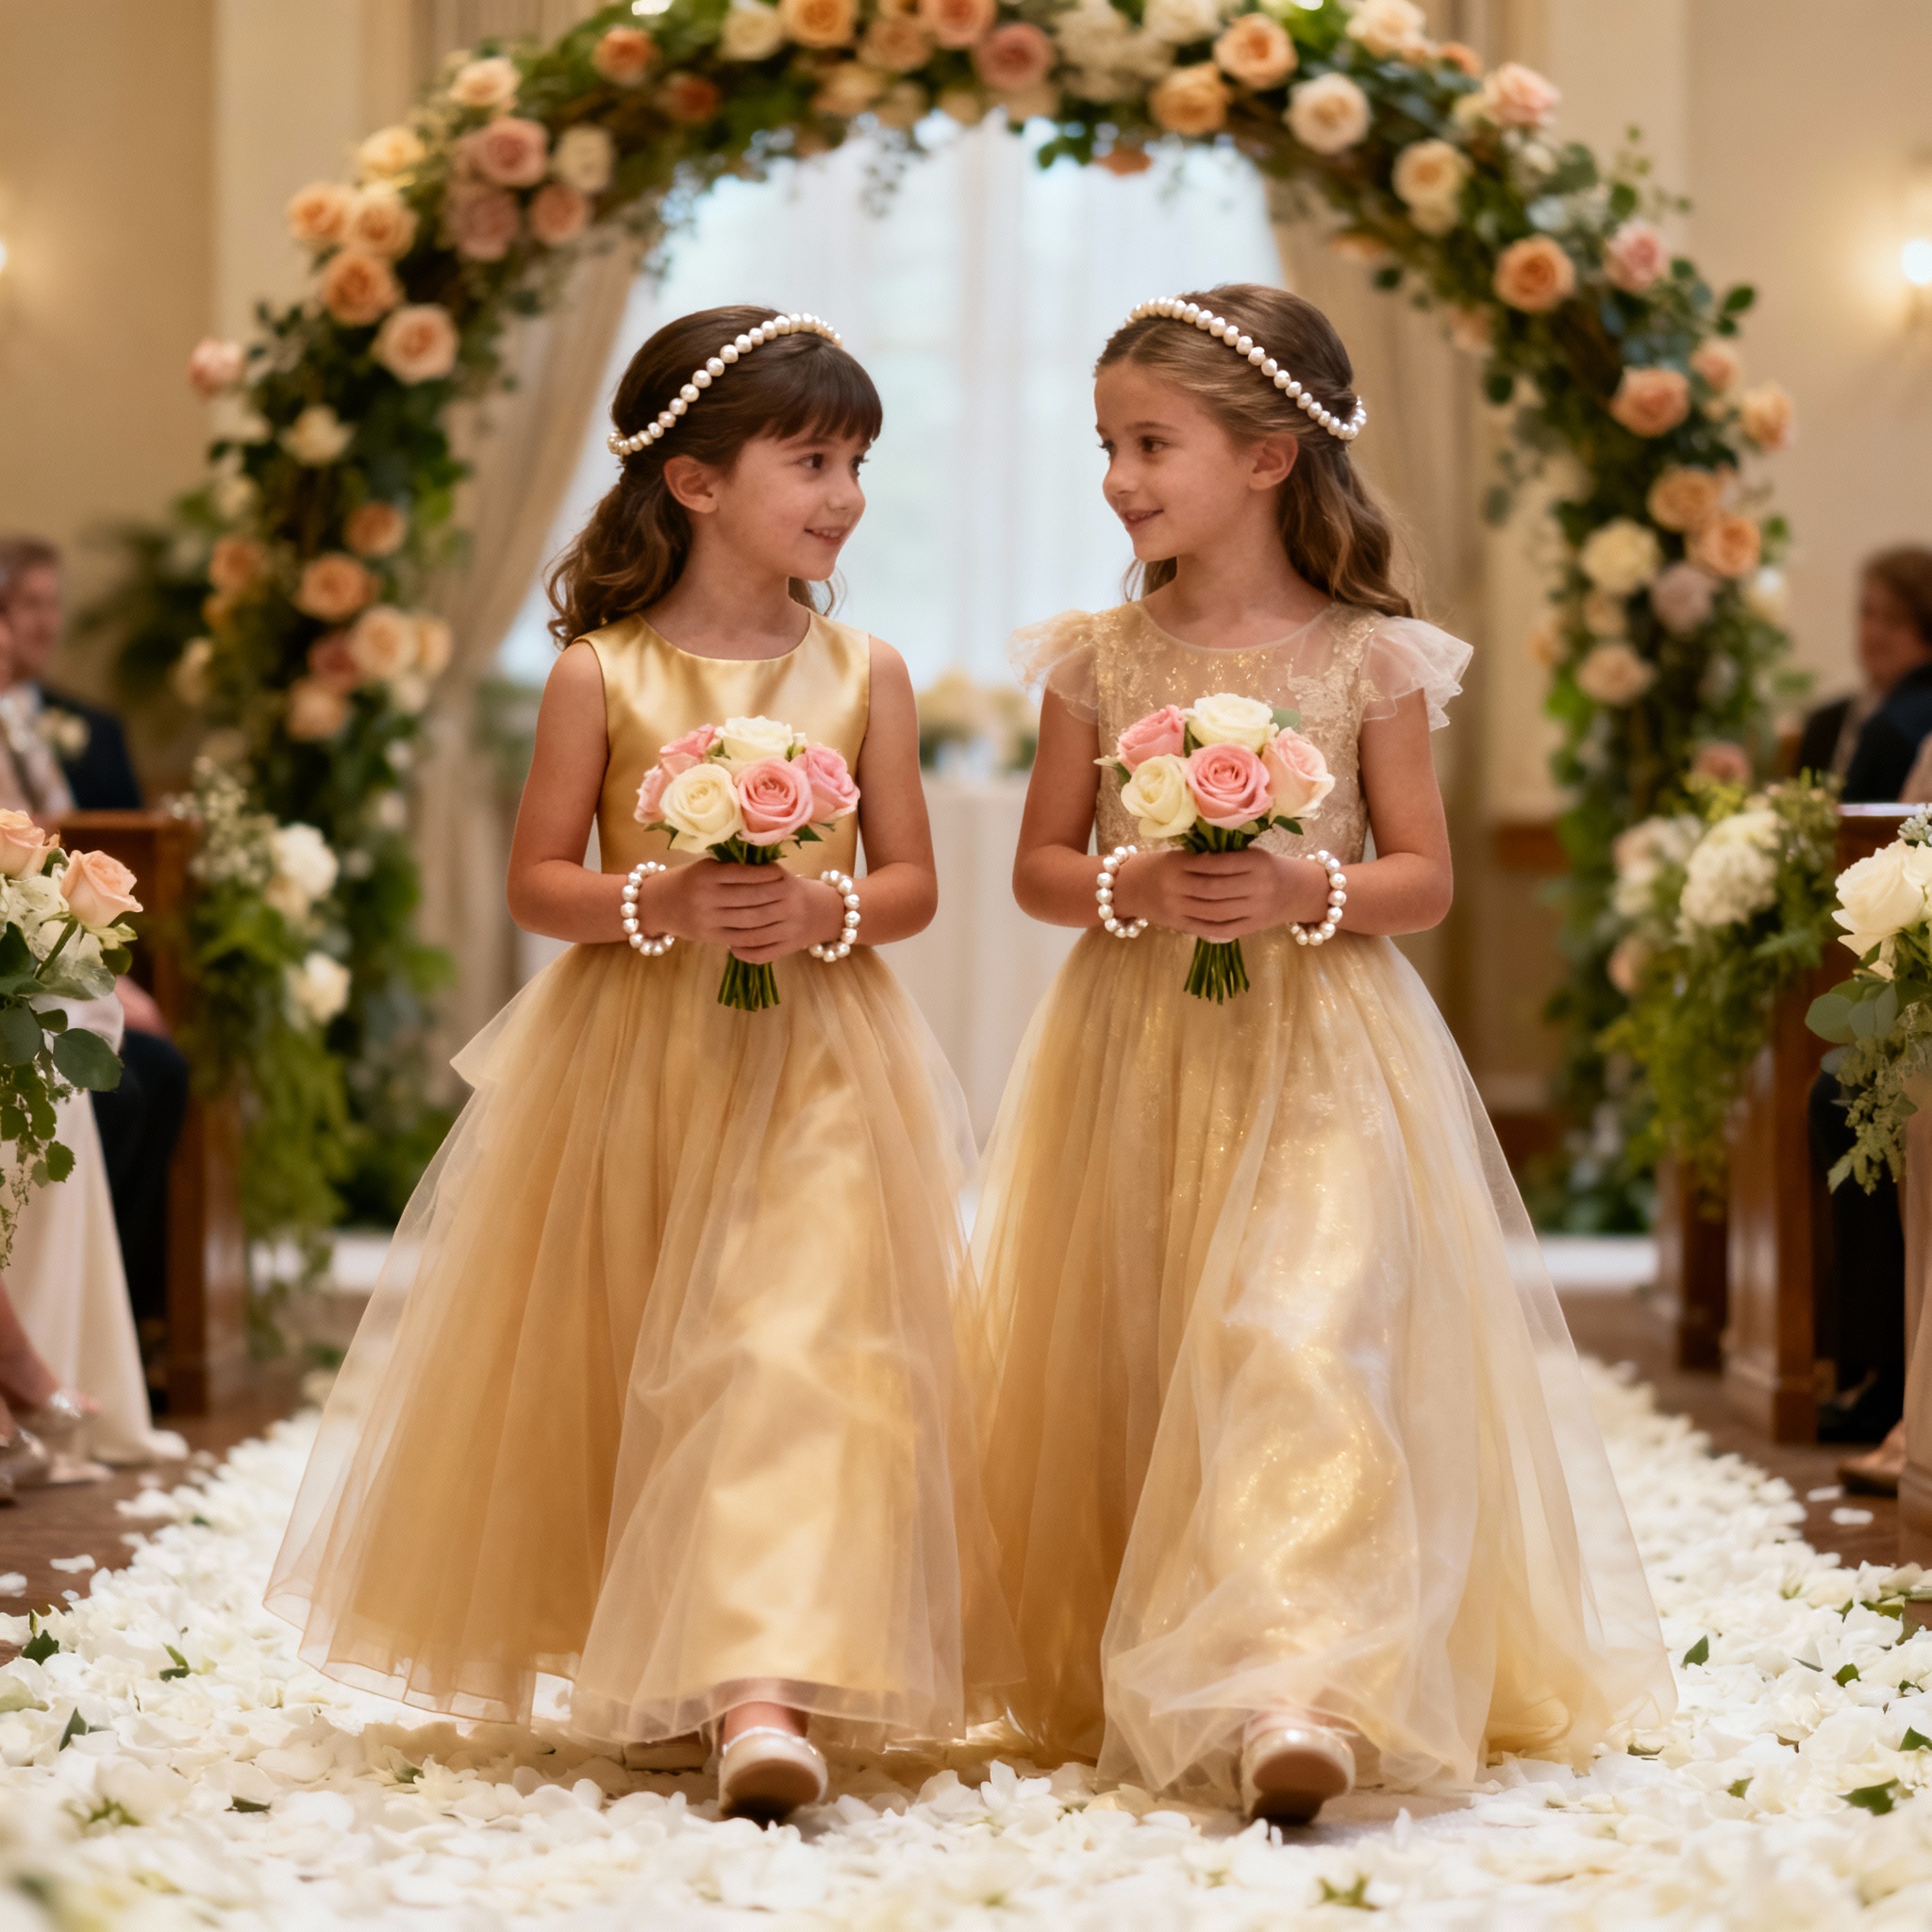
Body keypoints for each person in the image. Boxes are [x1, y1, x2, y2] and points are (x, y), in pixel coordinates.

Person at [267, 306, 1016, 1824]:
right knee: (646, 1350)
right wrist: (656, 902)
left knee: (795, 1343)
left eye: (859, 463)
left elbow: (913, 887)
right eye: (813, 461)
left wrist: (824, 908)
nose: (847, 496)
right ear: (695, 481)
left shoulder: (865, 671)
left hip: (820, 1056)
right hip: (638, 1060)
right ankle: (685, 1645)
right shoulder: (599, 678)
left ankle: (766, 1685)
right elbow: (540, 883)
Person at [970, 286, 1674, 1824]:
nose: (1117, 477)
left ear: (1268, 455)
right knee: (1159, 1341)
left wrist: (1305, 889)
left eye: (1150, 442)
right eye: (1105, 444)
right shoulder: (1096, 656)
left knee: (1299, 1332)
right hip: (1137, 1043)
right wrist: (1136, 881)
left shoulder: (1371, 658)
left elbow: (1422, 877)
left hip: (1325, 1049)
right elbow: (1038, 869)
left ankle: (1300, 1681)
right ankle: (1166, 1642)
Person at [0, 539, 190, 1395]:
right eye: (26, 606)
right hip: (26, 976)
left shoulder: (75, 726)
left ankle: (124, 1331)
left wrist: (113, 977)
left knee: (158, 1073)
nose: (40, 625)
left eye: (51, 604)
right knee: (127, 1084)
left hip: (58, 963)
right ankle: (49, 1343)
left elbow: (84, 861)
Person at [1832, 547, 1932, 802]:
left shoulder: (1893, 730)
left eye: (1894, 619)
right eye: (1867, 612)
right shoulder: (1826, 722)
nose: (1874, 633)